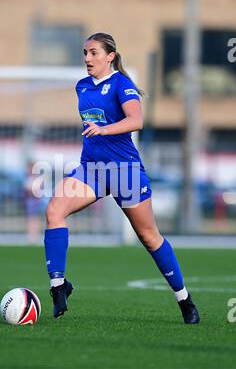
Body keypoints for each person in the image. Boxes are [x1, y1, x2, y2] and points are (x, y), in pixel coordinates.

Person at [44, 32, 200, 324]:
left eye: (93, 53)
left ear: (109, 56)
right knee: (54, 210)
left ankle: (184, 300)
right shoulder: (82, 86)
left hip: (124, 170)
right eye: (85, 53)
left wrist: (104, 129)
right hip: (91, 169)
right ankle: (58, 286)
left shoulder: (122, 85)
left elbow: (136, 121)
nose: (87, 59)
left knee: (148, 237)